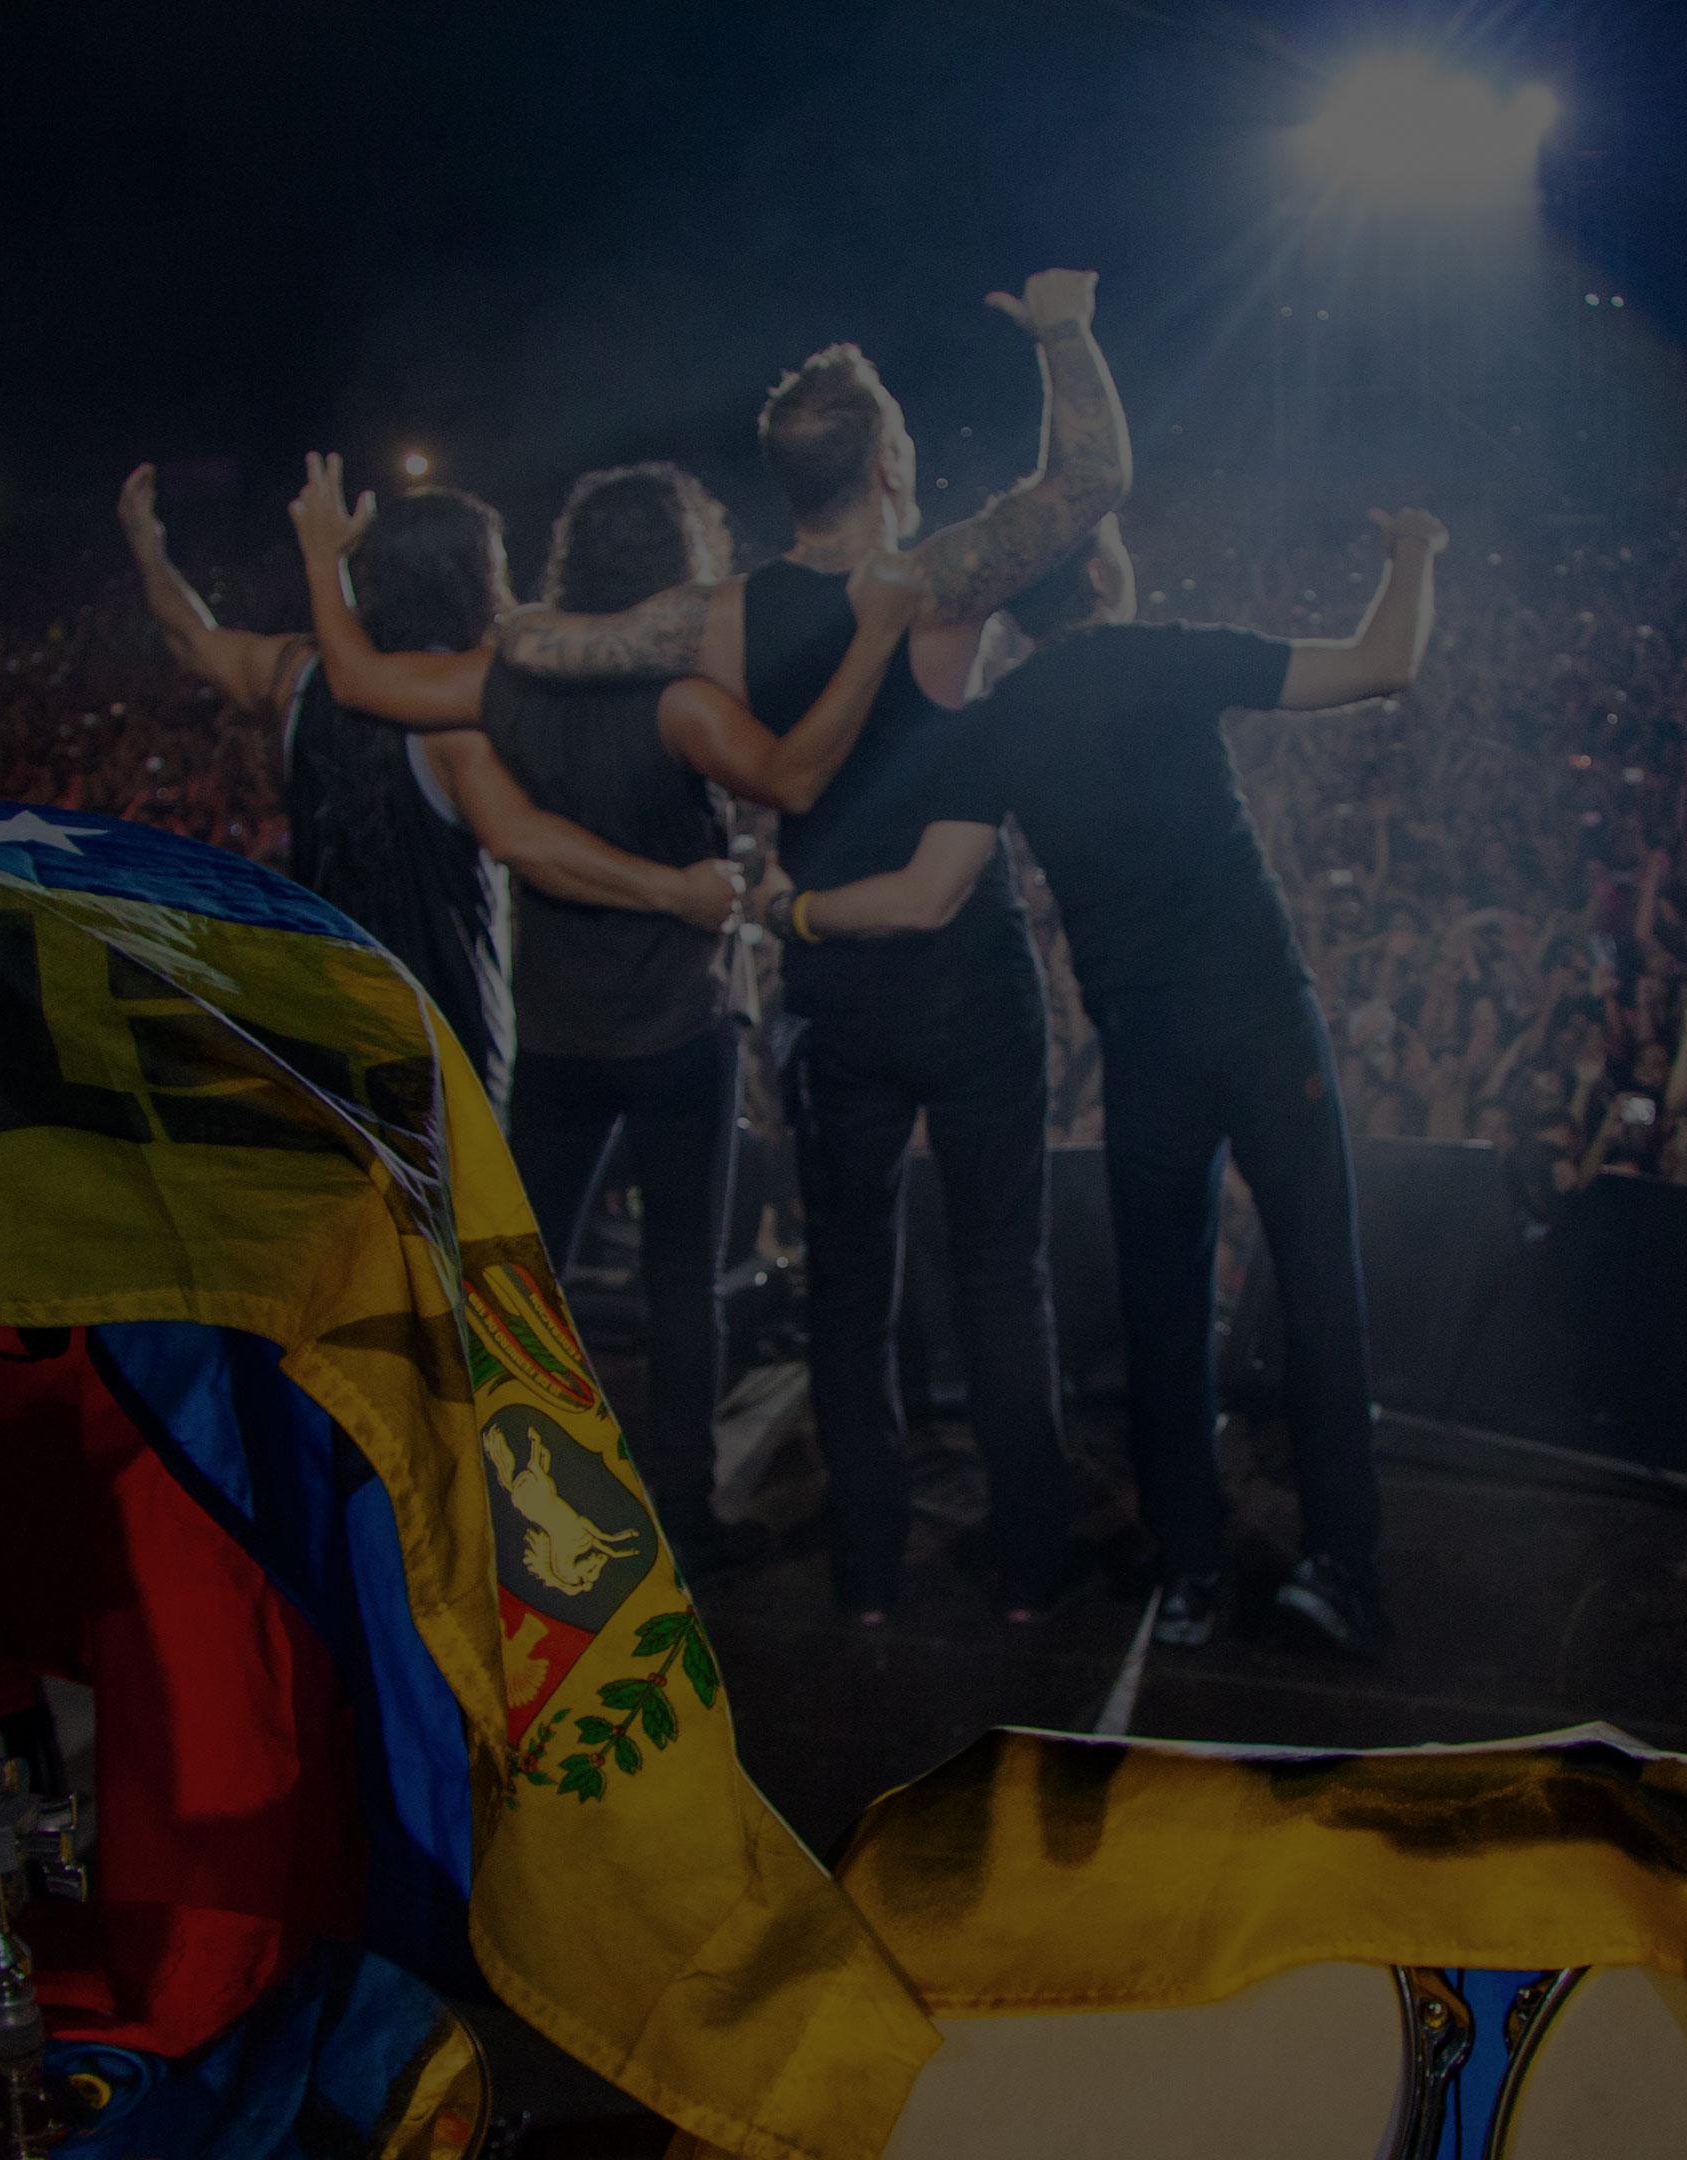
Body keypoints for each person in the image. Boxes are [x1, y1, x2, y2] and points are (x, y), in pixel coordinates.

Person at [487, 269, 1131, 1623]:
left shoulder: (715, 617)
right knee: (1000, 1272)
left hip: (830, 981)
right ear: (892, 461)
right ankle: (1028, 1558)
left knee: (847, 1281)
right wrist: (1065, 336)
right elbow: (1091, 480)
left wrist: (477, 628)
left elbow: (568, 645)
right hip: (964, 970)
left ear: (786, 479)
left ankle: (864, 1568)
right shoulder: (940, 584)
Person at [759, 505, 1449, 1661]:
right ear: (1109, 570)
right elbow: (1386, 663)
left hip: (1147, 1051)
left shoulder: (1004, 719)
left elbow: (927, 897)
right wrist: (1414, 558)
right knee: (1321, 1281)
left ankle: (1186, 1573)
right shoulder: (1167, 652)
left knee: (1165, 1314)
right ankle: (1338, 1568)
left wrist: (795, 909)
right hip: (1265, 1028)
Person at [289, 454, 916, 1574]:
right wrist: (871, 641)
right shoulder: (685, 701)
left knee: (521, 1276)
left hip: (558, 1033)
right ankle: (684, 1510)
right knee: (683, 1284)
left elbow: (355, 683)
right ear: (684, 571)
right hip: (678, 1027)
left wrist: (322, 563)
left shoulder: (506, 682)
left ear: (573, 562)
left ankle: (502, 1493)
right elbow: (799, 778)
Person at [119, 463, 531, 1101]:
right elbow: (522, 842)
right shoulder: (464, 713)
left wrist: (150, 551)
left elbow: (191, 638)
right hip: (446, 1038)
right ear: (477, 581)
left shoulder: (295, 676)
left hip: (324, 1019)